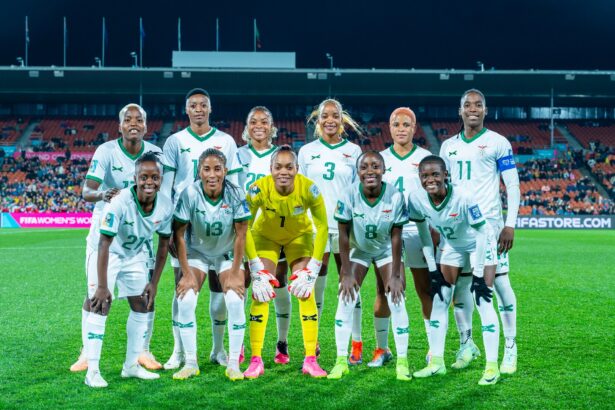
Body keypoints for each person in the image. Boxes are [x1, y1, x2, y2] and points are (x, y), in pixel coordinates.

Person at [71, 103, 162, 373]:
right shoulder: (106, 151)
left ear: (146, 126)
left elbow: (161, 189)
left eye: (139, 119)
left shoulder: (155, 153)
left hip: (139, 236)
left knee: (144, 296)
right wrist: (103, 194)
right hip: (106, 235)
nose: (134, 123)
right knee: (96, 294)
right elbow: (87, 191)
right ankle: (87, 351)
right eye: (128, 119)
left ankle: (143, 350)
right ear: (120, 126)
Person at [439, 89, 520, 374]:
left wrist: (509, 224)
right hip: (457, 229)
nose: (472, 109)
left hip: (489, 228)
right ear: (460, 110)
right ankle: (466, 344)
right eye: (467, 105)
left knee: (499, 284)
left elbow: (512, 185)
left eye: (478, 105)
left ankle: (510, 347)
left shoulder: (498, 142)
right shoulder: (447, 146)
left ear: (486, 110)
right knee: (461, 287)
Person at [161, 88, 243, 370]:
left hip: (220, 226)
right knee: (182, 287)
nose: (198, 109)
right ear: (186, 110)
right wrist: (169, 228)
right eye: (193, 105)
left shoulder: (226, 141)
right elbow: (166, 187)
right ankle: (178, 351)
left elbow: (235, 185)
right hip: (185, 226)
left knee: (220, 291)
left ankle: (218, 350)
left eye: (203, 105)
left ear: (210, 109)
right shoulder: (175, 141)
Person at [408, 155, 501, 386]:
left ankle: (492, 367)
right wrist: (432, 269)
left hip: (480, 243)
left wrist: (478, 275)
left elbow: (482, 233)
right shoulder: (416, 198)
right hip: (452, 245)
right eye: (425, 175)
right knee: (440, 299)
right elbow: (424, 234)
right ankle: (436, 363)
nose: (430, 179)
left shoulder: (464, 196)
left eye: (435, 174)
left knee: (483, 299)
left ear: (445, 175)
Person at [84, 151, 172, 388]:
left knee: (142, 304)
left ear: (161, 179)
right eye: (144, 177)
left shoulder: (166, 205)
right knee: (100, 304)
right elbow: (104, 243)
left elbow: (164, 245)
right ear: (135, 178)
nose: (149, 182)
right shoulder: (120, 201)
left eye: (154, 177)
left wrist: (154, 283)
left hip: (134, 254)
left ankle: (131, 366)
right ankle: (92, 371)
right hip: (108, 252)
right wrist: (103, 286)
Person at [243, 145, 328, 379]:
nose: (284, 172)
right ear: (270, 168)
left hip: (298, 237)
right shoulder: (258, 189)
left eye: (289, 167)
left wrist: (313, 269)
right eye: (278, 167)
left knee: (304, 288)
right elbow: (244, 227)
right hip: (266, 237)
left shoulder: (308, 188)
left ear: (297, 168)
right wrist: (256, 268)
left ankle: (310, 359)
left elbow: (322, 227)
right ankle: (256, 359)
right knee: (261, 289)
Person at [328, 151, 411, 381]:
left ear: (384, 170)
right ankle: (341, 361)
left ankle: (402, 361)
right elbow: (342, 235)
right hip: (360, 249)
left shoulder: (395, 195)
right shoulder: (348, 194)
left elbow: (397, 236)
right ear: (358, 171)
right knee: (345, 297)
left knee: (397, 298)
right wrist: (345, 272)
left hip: (386, 249)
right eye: (364, 167)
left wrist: (395, 274)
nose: (370, 171)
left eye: (375, 166)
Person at [172, 149, 250, 381]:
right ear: (199, 171)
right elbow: (179, 235)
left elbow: (241, 235)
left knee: (235, 300)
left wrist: (235, 272)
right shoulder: (190, 193)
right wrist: (186, 273)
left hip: (226, 252)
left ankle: (233, 363)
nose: (212, 174)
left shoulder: (236, 194)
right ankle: (190, 363)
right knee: (185, 300)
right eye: (207, 169)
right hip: (197, 252)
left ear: (225, 171)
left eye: (217, 169)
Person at [298, 98, 363, 363]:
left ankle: (356, 343)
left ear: (342, 120)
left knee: (350, 284)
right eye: (325, 116)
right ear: (318, 120)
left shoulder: (353, 151)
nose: (330, 120)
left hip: (345, 226)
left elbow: (358, 191)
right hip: (315, 228)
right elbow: (301, 190)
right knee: (316, 284)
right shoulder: (306, 152)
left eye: (335, 115)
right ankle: (312, 341)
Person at [375, 107, 432, 367]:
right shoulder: (380, 159)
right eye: (396, 124)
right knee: (386, 290)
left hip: (418, 230)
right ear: (389, 127)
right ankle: (382, 349)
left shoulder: (425, 157)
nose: (401, 129)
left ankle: (433, 348)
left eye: (406, 124)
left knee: (425, 289)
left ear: (414, 128)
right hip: (388, 233)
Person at [236, 106, 291, 364]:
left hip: (273, 231)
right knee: (242, 284)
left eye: (264, 121)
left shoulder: (281, 156)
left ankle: (282, 342)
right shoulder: (237, 155)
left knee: (278, 282)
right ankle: (239, 343)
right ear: (246, 127)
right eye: (253, 121)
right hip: (242, 229)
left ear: (272, 127)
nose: (259, 125)